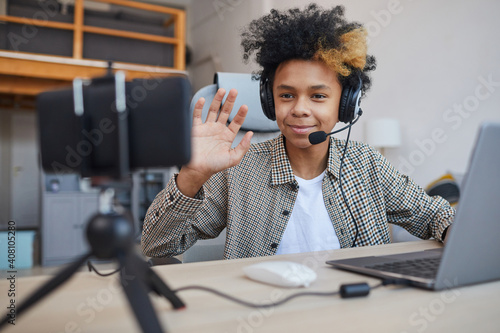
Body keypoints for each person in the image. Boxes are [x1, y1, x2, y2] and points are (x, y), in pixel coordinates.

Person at [141, 4, 454, 260]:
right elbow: (157, 246)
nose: (300, 109)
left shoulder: (367, 164)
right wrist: (192, 176)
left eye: (318, 96)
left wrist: (456, 231)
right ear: (269, 100)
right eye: (286, 95)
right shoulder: (238, 171)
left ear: (345, 105)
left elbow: (436, 215)